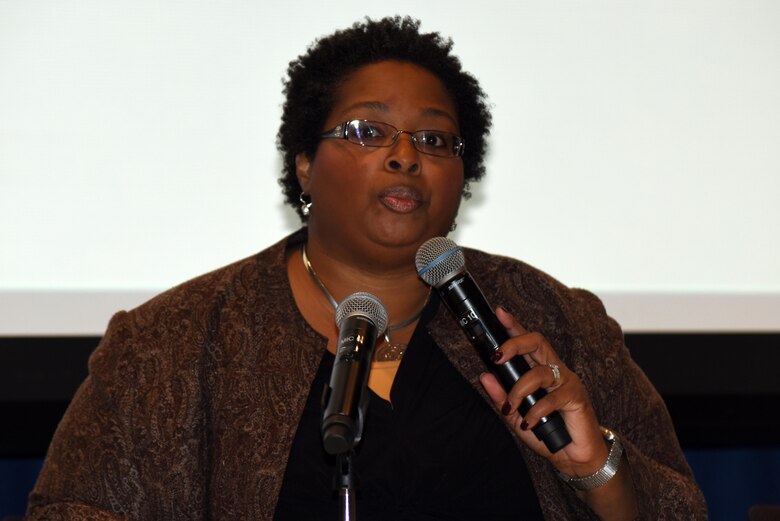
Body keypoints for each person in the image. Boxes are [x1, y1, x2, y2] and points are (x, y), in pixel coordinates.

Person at [26, 16, 706, 520]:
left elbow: (680, 510)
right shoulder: (170, 343)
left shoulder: (555, 319)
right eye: (366, 131)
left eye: (434, 138)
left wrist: (596, 467)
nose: (405, 154)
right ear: (302, 164)